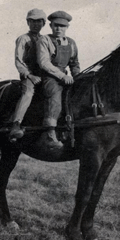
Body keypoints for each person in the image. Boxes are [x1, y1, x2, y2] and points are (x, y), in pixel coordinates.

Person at [37, 10, 80, 149]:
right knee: (54, 95)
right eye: (56, 25)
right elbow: (44, 63)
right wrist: (62, 76)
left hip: (65, 77)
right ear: (50, 25)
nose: (59, 29)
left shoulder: (72, 43)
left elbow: (74, 63)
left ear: (67, 27)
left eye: (62, 26)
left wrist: (77, 77)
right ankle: (49, 133)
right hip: (49, 76)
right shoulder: (44, 40)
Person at [9, 8, 47, 140]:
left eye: (39, 21)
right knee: (28, 93)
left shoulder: (46, 39)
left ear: (44, 23)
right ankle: (16, 123)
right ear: (28, 22)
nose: (36, 24)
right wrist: (29, 75)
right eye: (32, 21)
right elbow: (19, 61)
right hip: (29, 76)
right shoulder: (23, 39)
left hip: (44, 75)